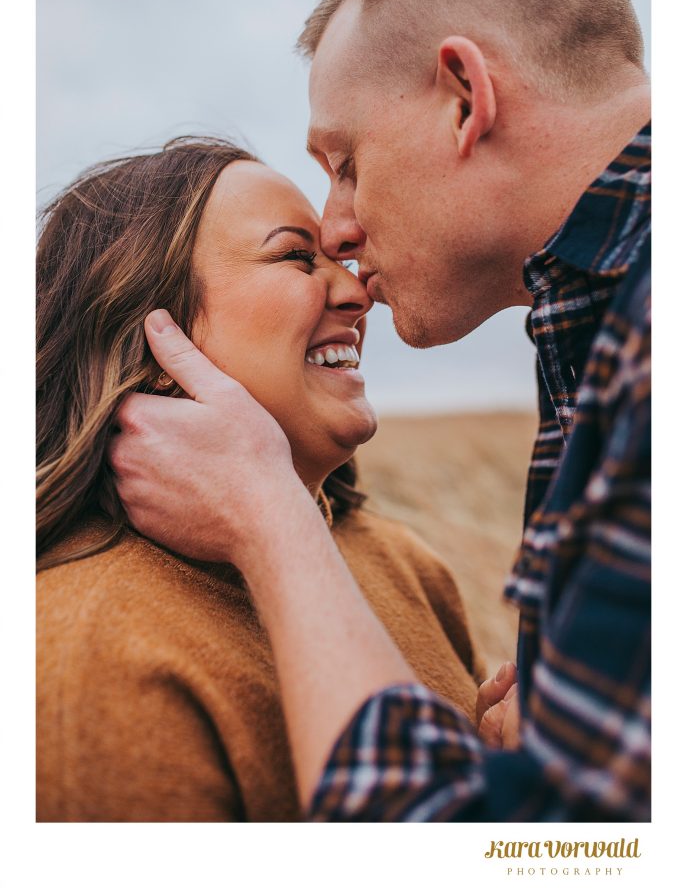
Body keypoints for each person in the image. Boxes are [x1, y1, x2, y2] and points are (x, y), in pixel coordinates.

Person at [109, 0, 651, 821]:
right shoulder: (601, 322)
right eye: (294, 247)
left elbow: (493, 851)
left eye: (346, 161)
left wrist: (267, 517)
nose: (338, 229)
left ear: (464, 99)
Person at [36, 137, 488, 822]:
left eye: (336, 258)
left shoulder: (402, 562)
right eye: (294, 257)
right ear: (155, 333)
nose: (355, 289)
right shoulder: (78, 655)